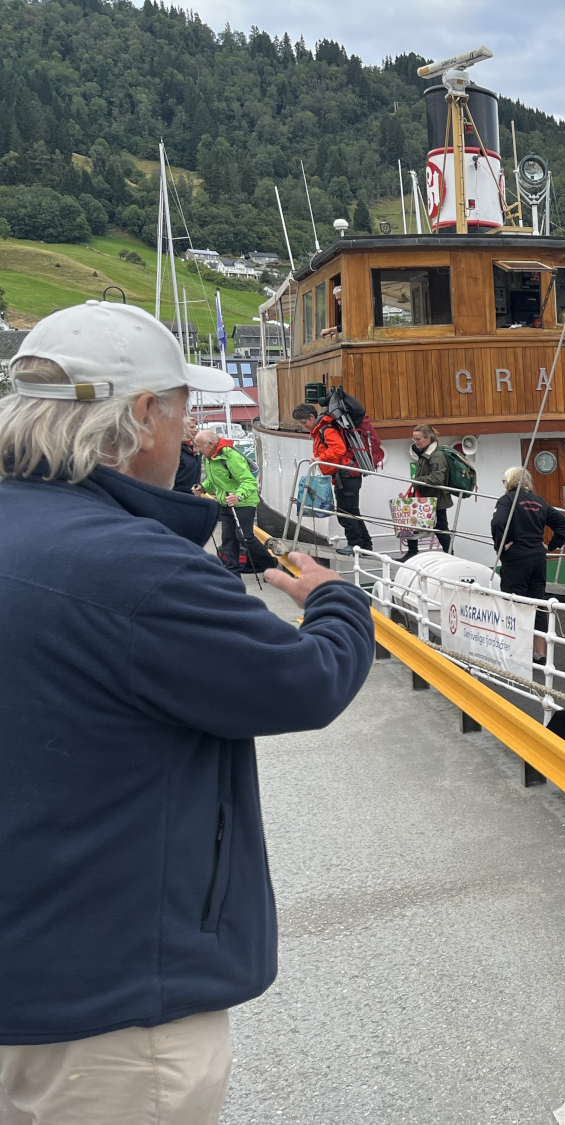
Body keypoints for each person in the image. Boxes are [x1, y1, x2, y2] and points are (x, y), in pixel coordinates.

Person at [0, 302, 374, 1124]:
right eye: (182, 409)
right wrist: (337, 599)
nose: (188, 429)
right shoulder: (136, 568)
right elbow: (308, 680)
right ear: (142, 416)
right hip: (108, 1013)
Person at [492, 466, 565, 659]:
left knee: (515, 605)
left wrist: (501, 546)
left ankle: (518, 653)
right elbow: (563, 523)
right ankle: (540, 653)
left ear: (509, 482)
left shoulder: (507, 500)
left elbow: (498, 523)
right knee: (538, 604)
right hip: (538, 559)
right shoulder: (538, 501)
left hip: (516, 560)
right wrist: (551, 546)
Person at [291, 400, 372, 552]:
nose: (303, 426)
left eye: (304, 423)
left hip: (346, 476)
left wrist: (320, 458)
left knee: (345, 512)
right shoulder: (322, 430)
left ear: (312, 417)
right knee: (352, 511)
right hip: (345, 475)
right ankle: (365, 544)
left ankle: (355, 544)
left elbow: (339, 448)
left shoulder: (326, 430)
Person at [195, 428, 277, 573]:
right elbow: (213, 479)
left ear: (211, 444)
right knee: (228, 539)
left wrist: (238, 496)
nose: (197, 449)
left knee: (244, 537)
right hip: (225, 501)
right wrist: (203, 487)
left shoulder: (231, 457)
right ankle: (233, 572)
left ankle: (269, 562)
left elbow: (249, 481)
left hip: (243, 502)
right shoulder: (208, 457)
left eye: (199, 446)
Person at [401, 423, 452, 560]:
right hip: (424, 497)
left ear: (428, 438)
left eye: (418, 439)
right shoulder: (426, 452)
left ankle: (450, 554)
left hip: (435, 498)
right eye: (414, 439)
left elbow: (437, 477)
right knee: (413, 522)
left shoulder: (437, 455)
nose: (415, 443)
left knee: (441, 528)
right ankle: (412, 552)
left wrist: (417, 481)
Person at [175, 414, 202, 494]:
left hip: (194, 491)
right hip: (179, 492)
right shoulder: (177, 448)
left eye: (195, 427)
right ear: (183, 429)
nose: (195, 430)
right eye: (192, 427)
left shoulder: (196, 447)